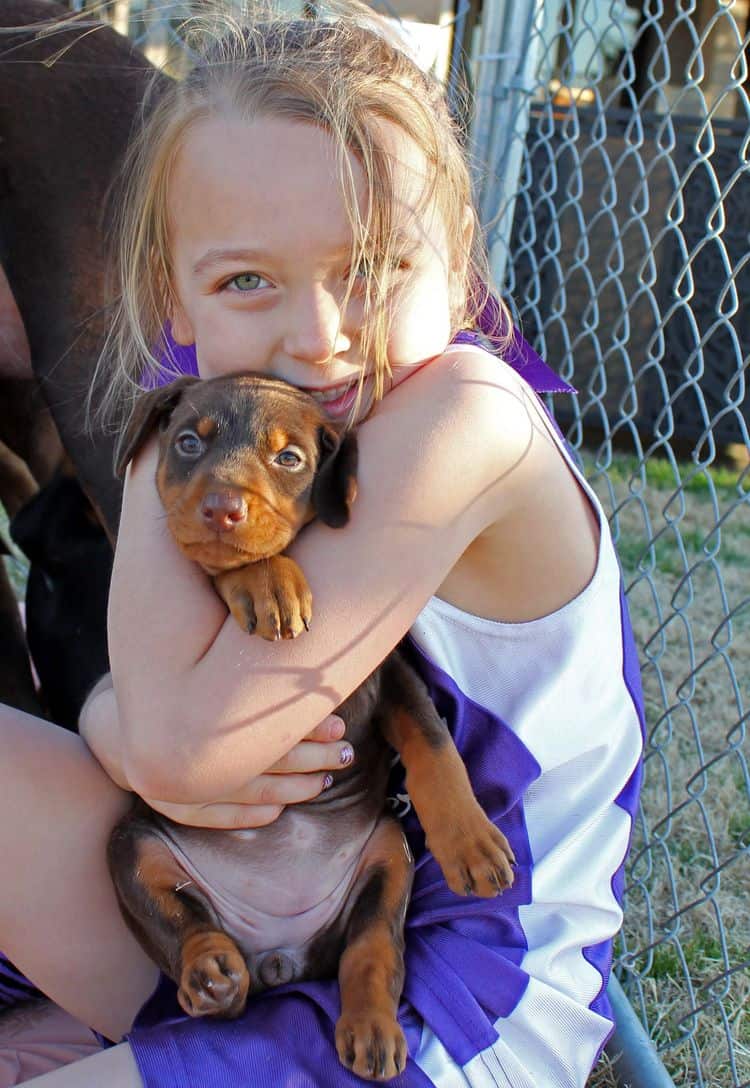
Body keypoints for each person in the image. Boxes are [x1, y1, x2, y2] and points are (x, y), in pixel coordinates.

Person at [0, 7, 645, 1086]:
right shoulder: (209, 420)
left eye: (375, 264)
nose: (318, 333)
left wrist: (128, 726)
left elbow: (177, 749)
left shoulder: (466, 422)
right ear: (173, 294)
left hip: (449, 992)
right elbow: (146, 729)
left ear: (460, 264)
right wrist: (117, 719)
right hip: (233, 907)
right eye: (247, 280)